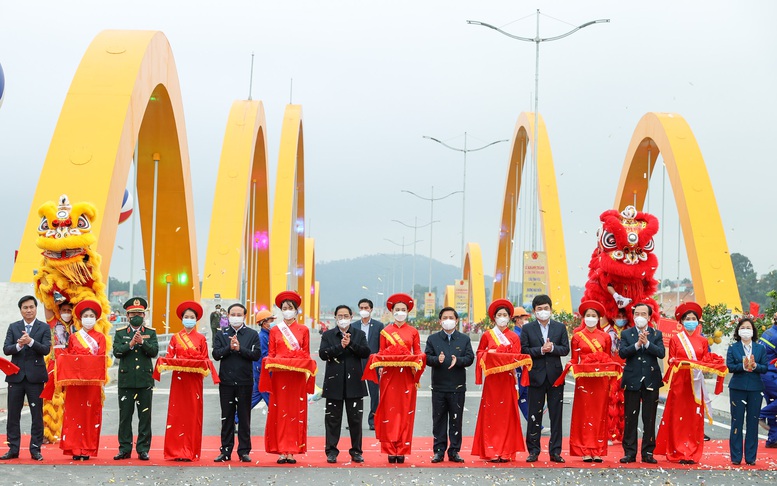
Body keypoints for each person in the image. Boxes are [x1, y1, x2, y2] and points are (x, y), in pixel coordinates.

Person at [655, 302, 727, 464]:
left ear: (698, 321)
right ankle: (678, 451)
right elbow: (671, 360)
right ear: (681, 322)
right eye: (687, 318)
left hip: (696, 384)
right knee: (678, 417)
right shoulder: (675, 339)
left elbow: (704, 361)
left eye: (693, 318)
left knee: (694, 417)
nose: (690, 321)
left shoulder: (702, 341)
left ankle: (692, 451)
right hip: (680, 382)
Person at [364, 292, 425, 464]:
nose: (400, 312)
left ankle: (402, 448)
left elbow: (418, 353)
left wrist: (419, 360)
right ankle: (390, 449)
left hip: (406, 377)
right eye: (397, 309)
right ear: (392, 312)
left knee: (405, 412)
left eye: (403, 309)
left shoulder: (413, 332)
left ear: (408, 312)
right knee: (390, 412)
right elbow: (382, 354)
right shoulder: (385, 332)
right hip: (389, 377)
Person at [159, 301, 216, 462]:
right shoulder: (175, 338)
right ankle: (175, 451)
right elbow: (169, 358)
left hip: (194, 381)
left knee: (192, 415)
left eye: (192, 317)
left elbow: (205, 360)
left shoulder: (201, 339)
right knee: (177, 415)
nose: (189, 319)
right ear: (182, 319)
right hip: (179, 381)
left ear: (196, 320)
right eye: (186, 317)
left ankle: (190, 451)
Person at [472, 299, 527, 463]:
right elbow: (480, 353)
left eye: (505, 315)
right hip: (492, 380)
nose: (502, 317)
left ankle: (506, 451)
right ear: (494, 317)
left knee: (507, 416)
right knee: (491, 415)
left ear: (510, 318)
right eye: (499, 315)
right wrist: (490, 353)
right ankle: (491, 451)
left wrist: (503, 356)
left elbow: (517, 357)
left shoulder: (514, 337)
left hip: (508, 380)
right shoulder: (487, 335)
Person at [263, 290, 313, 464]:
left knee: (294, 411)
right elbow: (271, 353)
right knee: (280, 412)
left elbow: (306, 354)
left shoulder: (304, 330)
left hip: (296, 377)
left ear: (296, 310)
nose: (287, 310)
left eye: (290, 307)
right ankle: (281, 450)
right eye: (284, 308)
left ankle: (292, 449)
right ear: (280, 310)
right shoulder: (275, 330)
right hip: (279, 377)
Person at [521, 294, 570, 463]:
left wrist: (553, 348)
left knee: (556, 415)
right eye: (539, 309)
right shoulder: (528, 329)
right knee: (534, 414)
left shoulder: (559, 327)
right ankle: (533, 450)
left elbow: (565, 349)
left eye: (546, 308)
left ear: (551, 309)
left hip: (556, 376)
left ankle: (555, 451)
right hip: (536, 375)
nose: (543, 311)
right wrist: (541, 350)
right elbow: (524, 350)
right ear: (534, 311)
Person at [1, 295, 51, 461]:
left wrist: (30, 342)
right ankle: (13, 449)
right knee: (13, 415)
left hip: (35, 378)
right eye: (25, 308)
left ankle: (35, 449)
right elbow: (6, 349)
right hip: (15, 377)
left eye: (31, 307)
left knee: (36, 415)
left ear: (36, 308)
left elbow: (45, 349)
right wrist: (19, 345)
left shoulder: (43, 327)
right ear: (21, 310)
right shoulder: (13, 327)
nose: (28, 310)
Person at [319, 304, 371, 463]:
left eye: (345, 316)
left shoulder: (359, 334)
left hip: (354, 382)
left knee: (355, 420)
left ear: (351, 317)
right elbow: (323, 354)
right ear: (335, 318)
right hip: (334, 382)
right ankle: (331, 451)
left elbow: (365, 352)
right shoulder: (328, 335)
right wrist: (340, 346)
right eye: (340, 316)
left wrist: (351, 344)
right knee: (332, 419)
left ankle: (356, 451)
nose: (343, 319)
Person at [425, 307, 474, 463]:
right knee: (438, 420)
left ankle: (454, 451)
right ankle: (439, 451)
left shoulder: (464, 339)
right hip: (439, 387)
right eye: (444, 318)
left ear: (456, 320)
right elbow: (426, 358)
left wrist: (458, 361)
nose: (448, 320)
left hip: (457, 387)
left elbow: (470, 358)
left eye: (451, 317)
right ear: (440, 321)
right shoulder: (432, 339)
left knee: (456, 420)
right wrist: (436, 360)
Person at [58, 299, 106, 461]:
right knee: (74, 414)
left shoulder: (100, 338)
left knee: (90, 415)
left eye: (91, 315)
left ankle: (87, 448)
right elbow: (70, 358)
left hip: (92, 383)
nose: (88, 318)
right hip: (76, 383)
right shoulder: (73, 337)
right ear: (80, 318)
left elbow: (101, 360)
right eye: (86, 315)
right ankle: (74, 447)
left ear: (96, 318)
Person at [212, 303, 260, 463]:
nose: (236, 317)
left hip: (245, 382)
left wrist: (240, 349)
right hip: (226, 382)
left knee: (244, 417)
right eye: (233, 314)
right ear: (228, 316)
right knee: (227, 417)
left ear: (244, 316)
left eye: (239, 314)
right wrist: (229, 348)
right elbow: (216, 354)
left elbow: (256, 355)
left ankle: (244, 451)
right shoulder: (222, 333)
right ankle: (225, 450)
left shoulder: (252, 334)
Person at [566, 300, 614, 462]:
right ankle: (585, 449)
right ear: (583, 318)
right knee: (584, 414)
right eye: (588, 316)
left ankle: (598, 450)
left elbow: (608, 359)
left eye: (594, 316)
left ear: (599, 318)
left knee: (599, 413)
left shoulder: (606, 337)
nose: (591, 318)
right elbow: (574, 359)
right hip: (584, 381)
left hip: (601, 381)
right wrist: (569, 368)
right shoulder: (577, 337)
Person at [112, 297, 159, 461]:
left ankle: (143, 449)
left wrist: (142, 343)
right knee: (125, 417)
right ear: (128, 315)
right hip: (126, 381)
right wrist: (131, 343)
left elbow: (154, 352)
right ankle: (124, 448)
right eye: (133, 313)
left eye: (139, 313)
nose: (136, 316)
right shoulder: (120, 333)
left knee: (144, 417)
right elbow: (117, 352)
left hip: (145, 380)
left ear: (144, 315)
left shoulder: (150, 333)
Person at [618, 302, 664, 464]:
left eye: (644, 314)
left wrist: (647, 344)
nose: (640, 317)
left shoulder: (656, 334)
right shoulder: (627, 334)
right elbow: (622, 353)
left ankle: (648, 452)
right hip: (632, 380)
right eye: (637, 313)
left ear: (649, 317)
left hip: (651, 379)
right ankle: (629, 452)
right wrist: (637, 344)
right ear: (633, 315)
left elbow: (661, 353)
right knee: (630, 417)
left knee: (649, 417)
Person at [727, 317, 768, 465]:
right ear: (738, 330)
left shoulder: (760, 348)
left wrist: (755, 366)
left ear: (753, 331)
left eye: (748, 328)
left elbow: (765, 368)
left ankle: (751, 457)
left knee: (752, 422)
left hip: (755, 389)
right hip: (737, 387)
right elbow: (730, 366)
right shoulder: (733, 348)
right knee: (736, 422)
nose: (746, 330)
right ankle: (736, 457)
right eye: (743, 327)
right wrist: (743, 366)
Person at [356, 298, 384, 430]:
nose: (363, 310)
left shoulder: (379, 326)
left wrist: (381, 364)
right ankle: (355, 420)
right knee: (355, 392)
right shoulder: (354, 325)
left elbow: (381, 346)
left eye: (366, 308)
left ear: (371, 309)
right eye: (361, 308)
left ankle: (373, 420)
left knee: (374, 393)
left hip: (373, 362)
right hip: (357, 362)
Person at [604, 308, 630, 445]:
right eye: (617, 316)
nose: (620, 318)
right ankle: (608, 434)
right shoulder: (607, 333)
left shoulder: (631, 332)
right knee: (611, 405)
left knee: (626, 404)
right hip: (612, 373)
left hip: (627, 372)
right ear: (612, 318)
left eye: (622, 316)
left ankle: (623, 434)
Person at [250, 309, 274, 413]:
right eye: (271, 321)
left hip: (263, 371)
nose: (272, 323)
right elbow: (264, 355)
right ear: (264, 324)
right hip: (262, 372)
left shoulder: (267, 335)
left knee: (254, 398)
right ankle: (277, 418)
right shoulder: (262, 337)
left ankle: (235, 418)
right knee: (271, 400)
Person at [759, 311, 777, 448]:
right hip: (771, 374)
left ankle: (773, 439)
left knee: (773, 404)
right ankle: (760, 414)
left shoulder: (769, 332)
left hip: (764, 374)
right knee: (772, 406)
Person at [511, 306, 531, 421]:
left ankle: (534, 424)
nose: (526, 320)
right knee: (519, 397)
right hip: (518, 371)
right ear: (518, 320)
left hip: (523, 370)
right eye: (524, 318)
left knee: (523, 397)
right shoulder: (517, 335)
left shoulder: (521, 333)